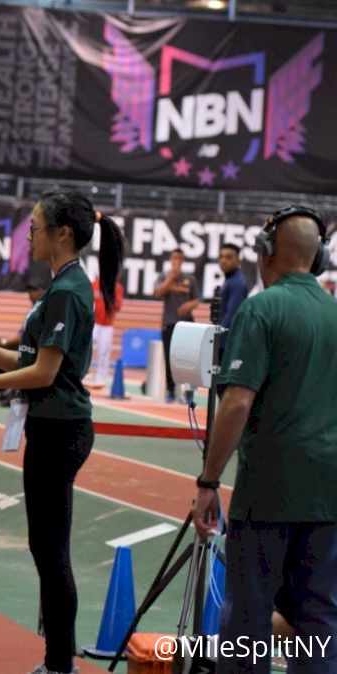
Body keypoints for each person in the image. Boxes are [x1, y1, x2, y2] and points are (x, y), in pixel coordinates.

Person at [0, 191, 125, 674]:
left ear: (62, 233)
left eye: (35, 227)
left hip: (60, 430)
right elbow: (29, 361)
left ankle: (60, 663)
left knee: (51, 551)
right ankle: (58, 660)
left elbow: (41, 374)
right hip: (53, 426)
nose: (28, 235)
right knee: (46, 548)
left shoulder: (65, 291)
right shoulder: (64, 283)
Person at [192, 205, 337, 674]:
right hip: (330, 494)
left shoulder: (261, 309)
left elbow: (236, 403)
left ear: (266, 252)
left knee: (249, 619)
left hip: (270, 490)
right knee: (320, 619)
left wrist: (208, 481)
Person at [154, 249, 199, 403]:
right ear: (170, 259)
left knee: (189, 359)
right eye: (174, 258)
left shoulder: (190, 279)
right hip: (169, 323)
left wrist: (189, 305)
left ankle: (188, 393)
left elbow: (197, 299)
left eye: (180, 258)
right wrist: (170, 278)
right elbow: (158, 293)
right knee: (169, 359)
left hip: (187, 324)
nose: (177, 261)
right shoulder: (163, 276)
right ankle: (171, 391)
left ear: (183, 260)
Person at [86, 275, 124, 389]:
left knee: (104, 352)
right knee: (86, 349)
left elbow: (118, 306)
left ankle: (101, 377)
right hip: (93, 323)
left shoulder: (117, 287)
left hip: (107, 325)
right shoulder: (94, 284)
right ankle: (83, 373)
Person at [216, 242, 248, 361]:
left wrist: (215, 335)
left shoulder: (237, 283)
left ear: (238, 261)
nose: (223, 261)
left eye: (228, 257)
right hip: (225, 340)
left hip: (226, 343)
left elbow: (232, 315)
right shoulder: (230, 279)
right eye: (221, 257)